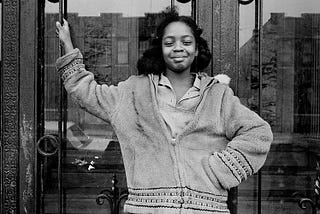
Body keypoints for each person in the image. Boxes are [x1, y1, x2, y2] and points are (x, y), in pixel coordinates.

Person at [56, 12, 273, 214]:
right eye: (169, 43)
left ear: (197, 49)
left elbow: (258, 133)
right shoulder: (133, 92)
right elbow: (86, 93)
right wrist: (68, 45)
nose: (178, 48)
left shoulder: (218, 95)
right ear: (160, 48)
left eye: (187, 42)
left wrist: (221, 170)